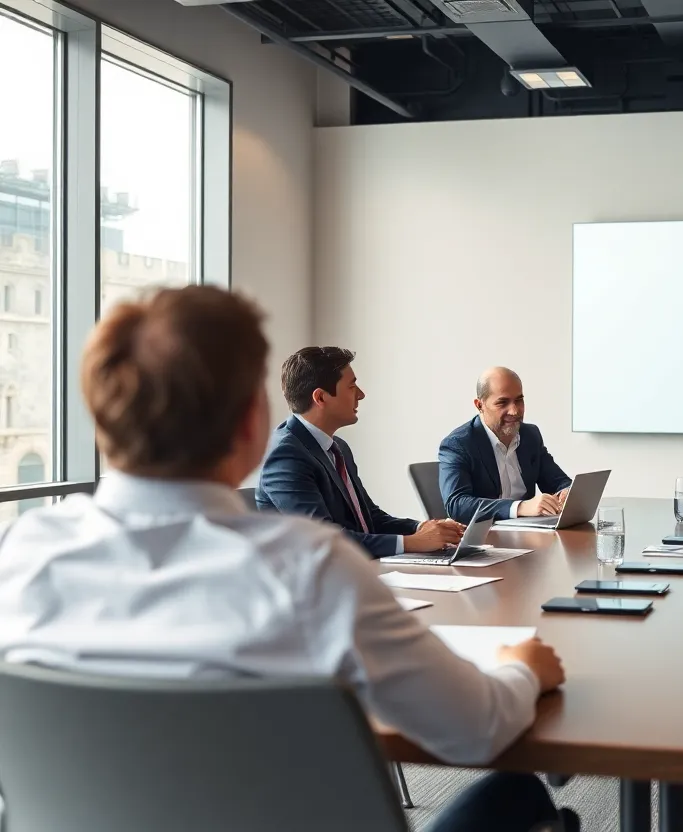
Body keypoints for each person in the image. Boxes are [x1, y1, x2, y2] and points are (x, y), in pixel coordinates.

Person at [0, 287, 576, 832]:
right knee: (520, 793)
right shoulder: (311, 570)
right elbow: (475, 730)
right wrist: (524, 667)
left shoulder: (22, 558)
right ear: (253, 422)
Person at [257, 346, 464, 558]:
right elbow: (323, 539)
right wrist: (411, 542)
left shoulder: (338, 447)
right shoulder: (285, 455)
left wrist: (425, 528)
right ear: (320, 397)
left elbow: (369, 519)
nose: (361, 395)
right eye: (352, 386)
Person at [439, 367, 572, 524]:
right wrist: (520, 508)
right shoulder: (458, 444)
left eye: (519, 400)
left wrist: (566, 492)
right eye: (502, 403)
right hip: (486, 537)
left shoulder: (530, 435)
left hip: (529, 533)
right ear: (479, 405)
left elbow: (557, 481)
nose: (514, 411)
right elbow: (457, 505)